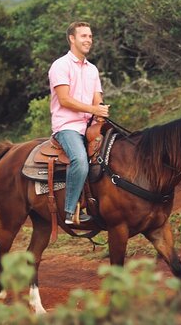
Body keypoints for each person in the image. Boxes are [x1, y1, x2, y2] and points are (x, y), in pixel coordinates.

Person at [48, 21, 110, 225]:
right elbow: (64, 100)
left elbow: (97, 99)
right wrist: (94, 110)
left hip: (90, 126)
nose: (88, 40)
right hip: (67, 126)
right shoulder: (60, 65)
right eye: (83, 36)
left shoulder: (92, 69)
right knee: (80, 161)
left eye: (90, 36)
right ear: (72, 39)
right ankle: (69, 211)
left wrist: (101, 110)